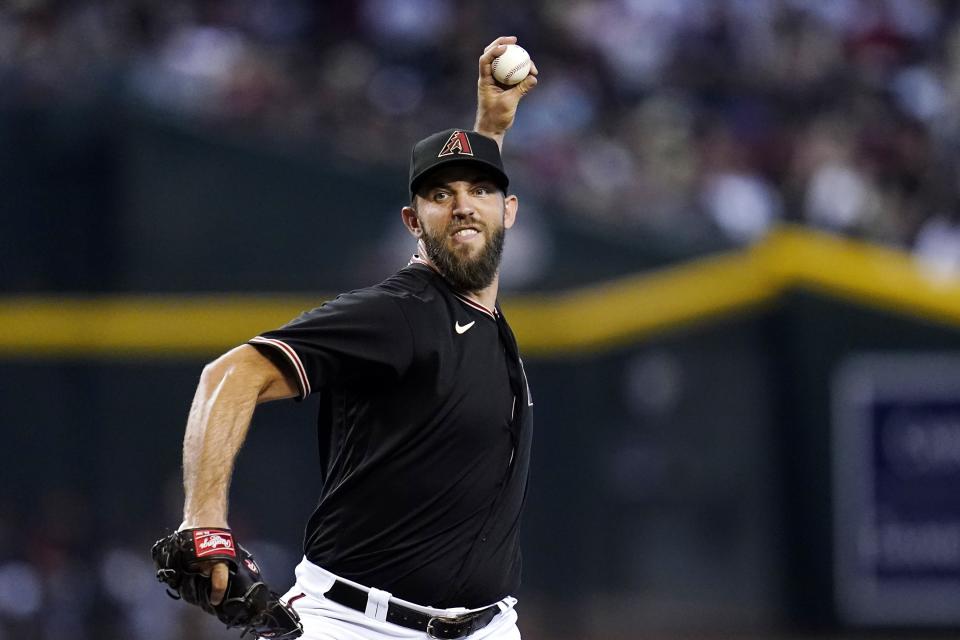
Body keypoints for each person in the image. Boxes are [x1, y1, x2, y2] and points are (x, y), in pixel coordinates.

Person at [173, 36, 538, 640]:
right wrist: (204, 522)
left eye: (479, 191)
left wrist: (489, 128)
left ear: (511, 211)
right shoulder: (398, 313)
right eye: (440, 195)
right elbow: (230, 374)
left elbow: (473, 222)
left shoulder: (484, 317)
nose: (463, 207)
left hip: (487, 628)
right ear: (413, 222)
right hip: (355, 622)